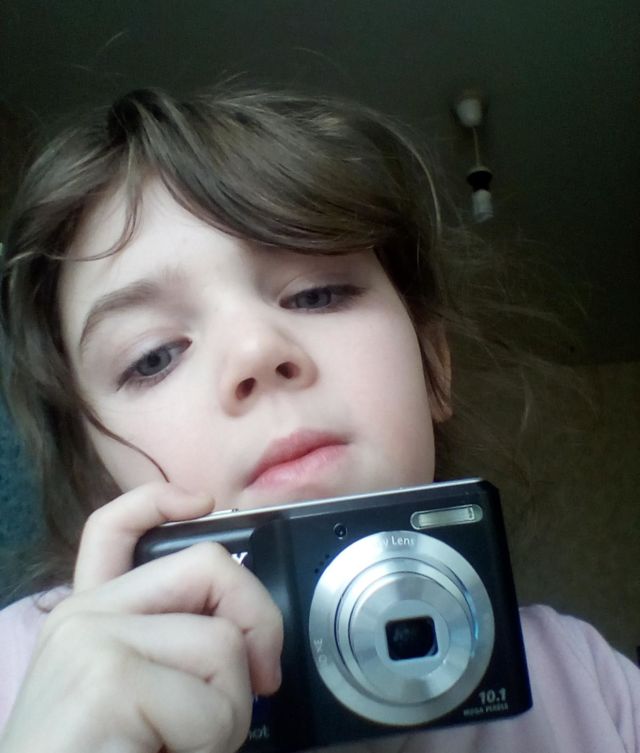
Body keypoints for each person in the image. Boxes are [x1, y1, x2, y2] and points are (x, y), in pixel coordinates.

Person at [0, 87, 637, 753]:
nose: (256, 350)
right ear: (95, 468)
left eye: (317, 293)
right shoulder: (24, 682)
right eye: (153, 356)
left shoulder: (590, 686)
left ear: (433, 366)